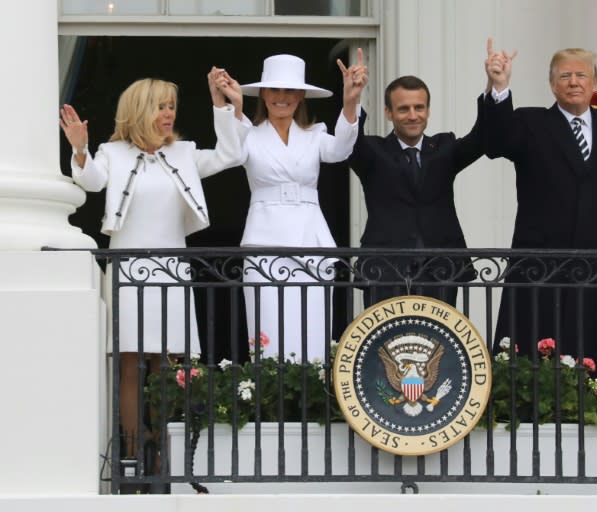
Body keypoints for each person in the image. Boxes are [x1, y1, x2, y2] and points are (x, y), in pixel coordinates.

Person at [59, 71, 247, 461]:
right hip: (129, 270)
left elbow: (231, 155)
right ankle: (131, 452)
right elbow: (91, 182)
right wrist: (80, 150)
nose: (168, 114)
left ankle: (163, 451)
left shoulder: (184, 152)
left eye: (171, 106)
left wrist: (221, 105)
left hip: (172, 270)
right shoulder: (114, 153)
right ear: (140, 110)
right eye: (160, 106)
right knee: (130, 363)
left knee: (167, 363)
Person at [484, 41, 597, 367]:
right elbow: (495, 141)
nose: (574, 82)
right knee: (526, 356)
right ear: (552, 84)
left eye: (581, 75)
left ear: (595, 82)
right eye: (565, 76)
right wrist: (499, 87)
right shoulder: (530, 123)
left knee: (587, 359)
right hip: (539, 266)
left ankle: (584, 414)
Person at [231, 50, 367, 361]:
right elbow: (232, 154)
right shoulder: (248, 135)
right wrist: (232, 110)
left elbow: (342, 150)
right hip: (264, 240)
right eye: (275, 89)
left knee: (312, 328)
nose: (282, 97)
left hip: (311, 240)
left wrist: (350, 102)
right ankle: (268, 399)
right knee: (267, 329)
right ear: (263, 93)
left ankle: (313, 401)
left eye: (290, 90)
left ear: (301, 96)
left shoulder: (315, 134)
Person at [349, 68, 485, 308]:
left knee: (439, 344)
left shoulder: (444, 146)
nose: (413, 115)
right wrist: (353, 98)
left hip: (441, 270)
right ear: (389, 113)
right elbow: (348, 140)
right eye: (403, 109)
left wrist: (495, 87)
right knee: (385, 343)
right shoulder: (373, 150)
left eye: (419, 107)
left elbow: (483, 137)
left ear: (428, 110)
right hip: (385, 271)